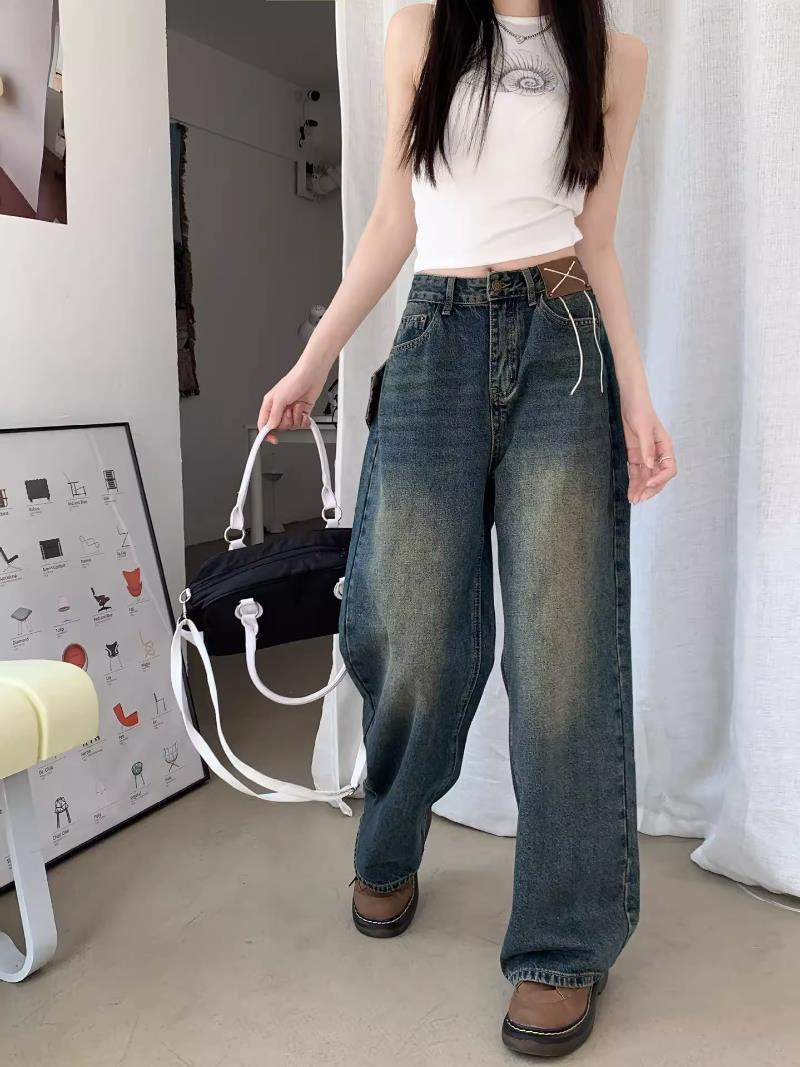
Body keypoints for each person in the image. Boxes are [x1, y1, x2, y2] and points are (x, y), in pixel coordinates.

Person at [258, 1, 677, 1057]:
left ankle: (561, 943)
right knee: (407, 627)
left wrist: (636, 397)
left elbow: (597, 240)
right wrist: (314, 360)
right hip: (436, 337)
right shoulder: (418, 32)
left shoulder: (615, 57)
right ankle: (391, 835)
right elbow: (392, 221)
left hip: (563, 347)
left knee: (563, 653)